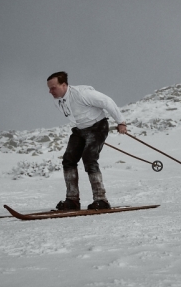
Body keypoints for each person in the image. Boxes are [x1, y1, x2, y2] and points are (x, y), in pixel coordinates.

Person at [46, 71, 127, 210]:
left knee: (89, 158)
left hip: (97, 127)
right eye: (49, 88)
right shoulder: (57, 101)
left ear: (64, 85)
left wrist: (121, 122)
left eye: (53, 87)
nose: (50, 91)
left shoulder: (82, 94)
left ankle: (101, 200)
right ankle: (72, 201)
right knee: (68, 159)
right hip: (79, 130)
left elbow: (106, 102)